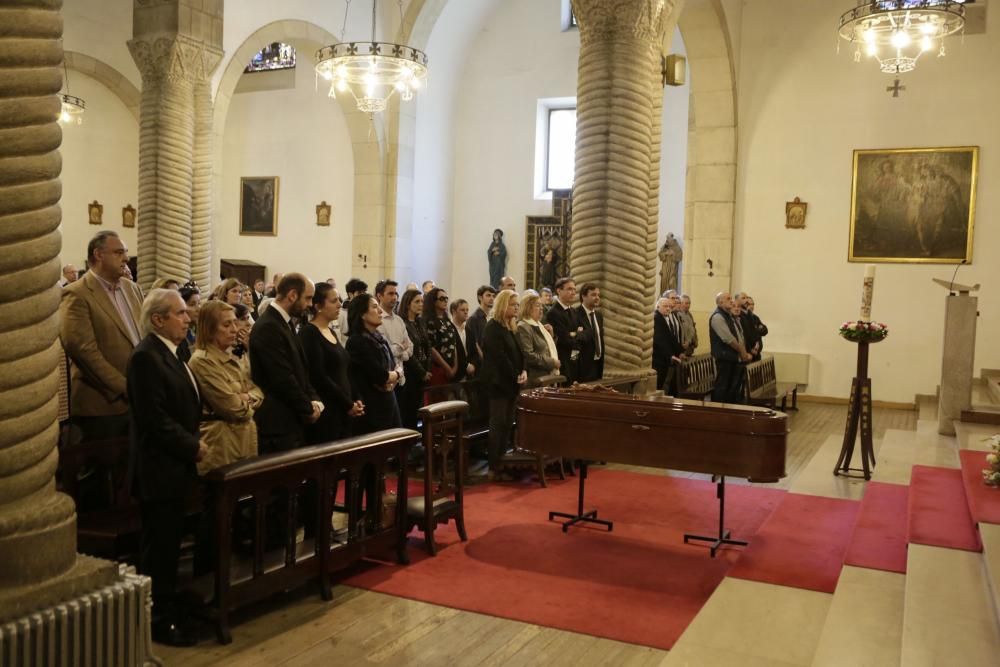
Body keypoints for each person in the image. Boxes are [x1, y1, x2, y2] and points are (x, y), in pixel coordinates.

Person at [126, 289, 207, 647]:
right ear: (158, 319)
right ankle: (156, 620)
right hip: (159, 468)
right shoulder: (146, 357)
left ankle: (170, 606)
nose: (188, 317)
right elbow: (153, 419)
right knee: (159, 547)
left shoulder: (174, 352)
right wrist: (192, 446)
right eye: (179, 313)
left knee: (171, 543)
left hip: (177, 467)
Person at [60, 230, 143, 442]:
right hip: (101, 405)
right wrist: (125, 387)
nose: (126, 258)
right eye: (119, 252)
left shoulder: (132, 289)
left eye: (125, 252)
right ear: (98, 255)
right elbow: (83, 351)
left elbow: (143, 337)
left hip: (137, 401)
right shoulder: (77, 293)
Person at [249, 273, 322, 453]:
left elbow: (301, 371)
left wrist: (315, 401)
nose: (311, 304)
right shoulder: (269, 326)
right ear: (292, 295)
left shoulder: (284, 323)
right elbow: (282, 378)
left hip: (291, 419)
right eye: (308, 298)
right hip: (277, 423)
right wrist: (307, 408)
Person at [189, 300, 262, 474]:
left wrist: (246, 397)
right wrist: (246, 399)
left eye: (235, 323)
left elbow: (259, 391)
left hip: (244, 439)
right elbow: (234, 408)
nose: (235, 330)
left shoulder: (234, 355)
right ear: (209, 328)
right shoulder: (203, 361)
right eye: (227, 324)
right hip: (222, 445)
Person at [298, 283, 362, 443]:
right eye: (334, 301)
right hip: (329, 409)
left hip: (343, 407)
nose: (340, 304)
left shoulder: (331, 330)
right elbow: (320, 376)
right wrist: (347, 404)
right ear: (318, 306)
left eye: (339, 300)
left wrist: (356, 398)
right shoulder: (309, 333)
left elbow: (344, 369)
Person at [480, 289, 526, 475]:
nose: (516, 308)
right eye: (513, 304)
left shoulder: (511, 326)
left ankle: (503, 460)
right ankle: (494, 465)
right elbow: (499, 357)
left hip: (512, 382)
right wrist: (515, 373)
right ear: (503, 305)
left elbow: (519, 353)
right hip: (498, 383)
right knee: (498, 424)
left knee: (508, 423)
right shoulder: (493, 327)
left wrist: (523, 371)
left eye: (517, 305)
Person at [346, 293, 402, 434]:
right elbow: (380, 375)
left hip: (389, 398)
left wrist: (393, 377)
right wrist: (396, 374)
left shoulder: (379, 337)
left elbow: (394, 364)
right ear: (363, 315)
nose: (380, 311)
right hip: (373, 405)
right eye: (375, 307)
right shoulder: (356, 341)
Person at [709, 292, 752, 403]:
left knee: (730, 388)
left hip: (731, 357)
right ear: (721, 302)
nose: (731, 301)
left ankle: (728, 411)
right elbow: (728, 339)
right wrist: (742, 352)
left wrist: (743, 351)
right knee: (722, 386)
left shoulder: (728, 315)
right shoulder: (718, 317)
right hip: (724, 357)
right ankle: (717, 411)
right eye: (728, 299)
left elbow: (738, 336)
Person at [399, 288, 432, 429]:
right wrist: (421, 372)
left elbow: (428, 347)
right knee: (408, 412)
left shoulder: (420, 322)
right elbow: (408, 352)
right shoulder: (403, 323)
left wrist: (427, 369)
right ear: (407, 304)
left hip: (423, 371)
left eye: (422, 301)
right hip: (410, 373)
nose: (420, 304)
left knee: (418, 410)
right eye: (417, 301)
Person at [375, 279, 412, 405]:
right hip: (386, 380)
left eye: (396, 294)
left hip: (401, 378)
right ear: (379, 295)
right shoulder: (377, 320)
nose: (394, 297)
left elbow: (410, 347)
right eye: (390, 294)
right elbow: (385, 351)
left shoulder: (399, 320)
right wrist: (401, 348)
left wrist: (400, 351)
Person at [543, 277, 584, 385]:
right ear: (559, 290)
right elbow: (564, 339)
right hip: (563, 360)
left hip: (575, 357)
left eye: (574, 289)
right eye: (569, 289)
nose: (573, 292)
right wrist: (577, 334)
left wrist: (575, 334)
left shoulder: (574, 311)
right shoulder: (553, 313)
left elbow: (583, 333)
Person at [516, 291, 560, 386]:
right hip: (536, 378)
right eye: (537, 306)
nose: (541, 309)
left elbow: (546, 350)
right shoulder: (523, 326)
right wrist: (552, 363)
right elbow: (529, 355)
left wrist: (551, 336)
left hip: (546, 376)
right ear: (527, 308)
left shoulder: (539, 325)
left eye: (541, 306)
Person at [424, 287, 463, 385]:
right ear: (433, 301)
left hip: (451, 366)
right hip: (437, 367)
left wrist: (455, 366)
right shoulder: (429, 321)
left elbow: (453, 343)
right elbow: (431, 348)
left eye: (446, 298)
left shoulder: (447, 320)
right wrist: (447, 368)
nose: (445, 301)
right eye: (441, 299)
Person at [652, 297, 686, 393]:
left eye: (669, 307)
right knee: (658, 386)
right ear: (658, 306)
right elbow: (659, 340)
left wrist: (679, 352)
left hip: (663, 359)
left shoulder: (663, 318)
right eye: (665, 306)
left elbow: (671, 338)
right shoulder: (656, 318)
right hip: (658, 359)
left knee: (661, 385)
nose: (668, 309)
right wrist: (670, 355)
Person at [577, 283, 604, 382]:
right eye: (593, 295)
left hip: (597, 363)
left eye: (598, 295)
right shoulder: (576, 314)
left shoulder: (598, 315)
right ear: (583, 296)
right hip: (582, 366)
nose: (597, 297)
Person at [450, 298, 478, 377]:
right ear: (454, 311)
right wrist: (466, 366)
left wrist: (473, 365)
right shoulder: (449, 329)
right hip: (456, 373)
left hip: (470, 374)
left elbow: (474, 352)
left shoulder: (468, 330)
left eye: (467, 310)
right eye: (462, 310)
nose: (466, 312)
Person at [466, 285, 495, 360]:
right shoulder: (474, 318)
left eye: (493, 296)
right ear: (480, 297)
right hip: (481, 362)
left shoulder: (493, 317)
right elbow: (474, 343)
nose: (492, 298)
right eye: (488, 295)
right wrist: (484, 359)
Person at [179, 283, 201, 347]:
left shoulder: (196, 329)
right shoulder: (178, 335)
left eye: (199, 303)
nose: (198, 309)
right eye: (192, 304)